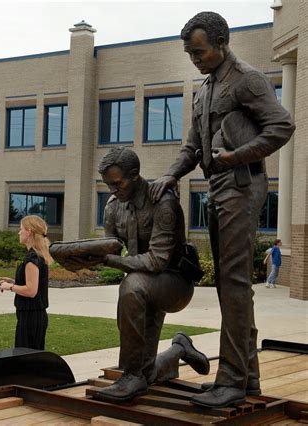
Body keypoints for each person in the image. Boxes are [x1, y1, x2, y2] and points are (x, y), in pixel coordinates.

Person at [148, 12, 295, 408]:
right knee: (231, 286)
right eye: (190, 54)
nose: (194, 59)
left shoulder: (246, 79)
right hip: (217, 187)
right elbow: (192, 146)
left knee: (233, 284)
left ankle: (230, 379)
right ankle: (245, 379)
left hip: (242, 186)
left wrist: (236, 157)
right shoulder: (205, 89)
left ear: (221, 43)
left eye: (199, 51)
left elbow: (282, 125)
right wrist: (171, 175)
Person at [69, 147, 209, 403]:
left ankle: (131, 376)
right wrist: (83, 257)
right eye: (107, 184)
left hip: (174, 283)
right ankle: (179, 348)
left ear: (134, 175)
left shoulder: (163, 202)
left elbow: (157, 260)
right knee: (149, 372)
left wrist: (110, 260)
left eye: (117, 183)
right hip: (143, 285)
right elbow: (110, 248)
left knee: (131, 285)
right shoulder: (113, 206)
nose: (112, 189)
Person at [0, 215, 52, 350]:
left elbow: (31, 291)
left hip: (30, 317)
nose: (19, 232)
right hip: (34, 316)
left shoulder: (32, 258)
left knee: (26, 359)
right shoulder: (38, 255)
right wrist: (14, 281)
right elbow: (34, 283)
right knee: (33, 358)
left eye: (21, 229)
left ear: (29, 232)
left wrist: (10, 287)